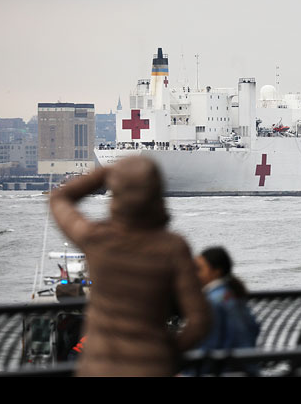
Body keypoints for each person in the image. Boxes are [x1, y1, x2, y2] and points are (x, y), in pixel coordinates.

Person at [49, 157, 212, 377]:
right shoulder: (173, 247)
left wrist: (105, 172)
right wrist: (168, 354)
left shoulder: (96, 238)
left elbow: (60, 198)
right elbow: (199, 320)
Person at [191, 246, 260, 375]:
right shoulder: (235, 295)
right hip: (247, 369)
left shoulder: (211, 301)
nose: (195, 274)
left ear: (216, 271)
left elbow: (210, 347)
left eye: (199, 269)